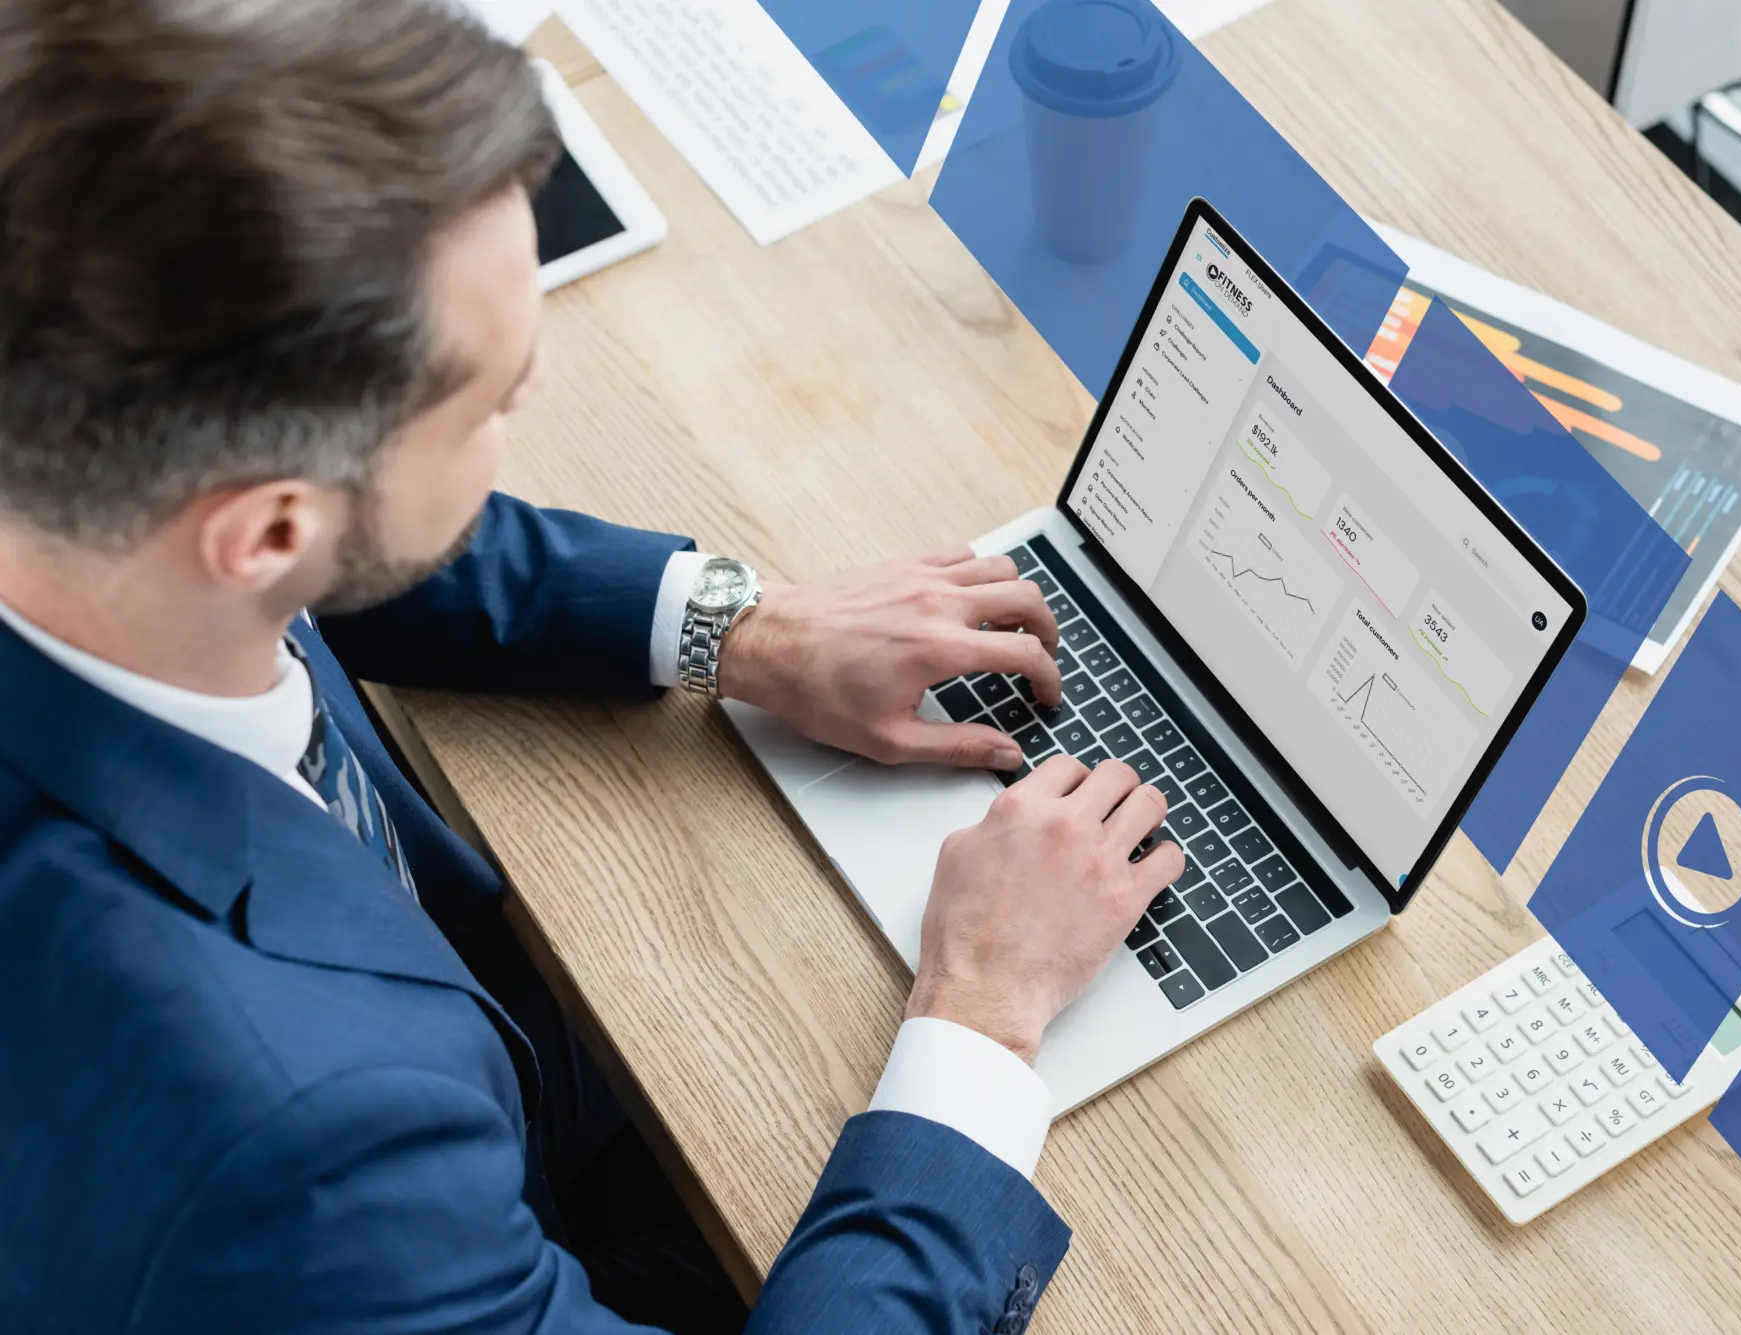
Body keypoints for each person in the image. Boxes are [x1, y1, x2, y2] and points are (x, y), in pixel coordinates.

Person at [0, 2, 1185, 1332]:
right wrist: (983, 1011)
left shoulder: (82, 476)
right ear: (270, 527)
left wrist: (733, 624)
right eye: (496, 395)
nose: (538, 390)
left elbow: (336, 518)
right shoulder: (316, 1145)